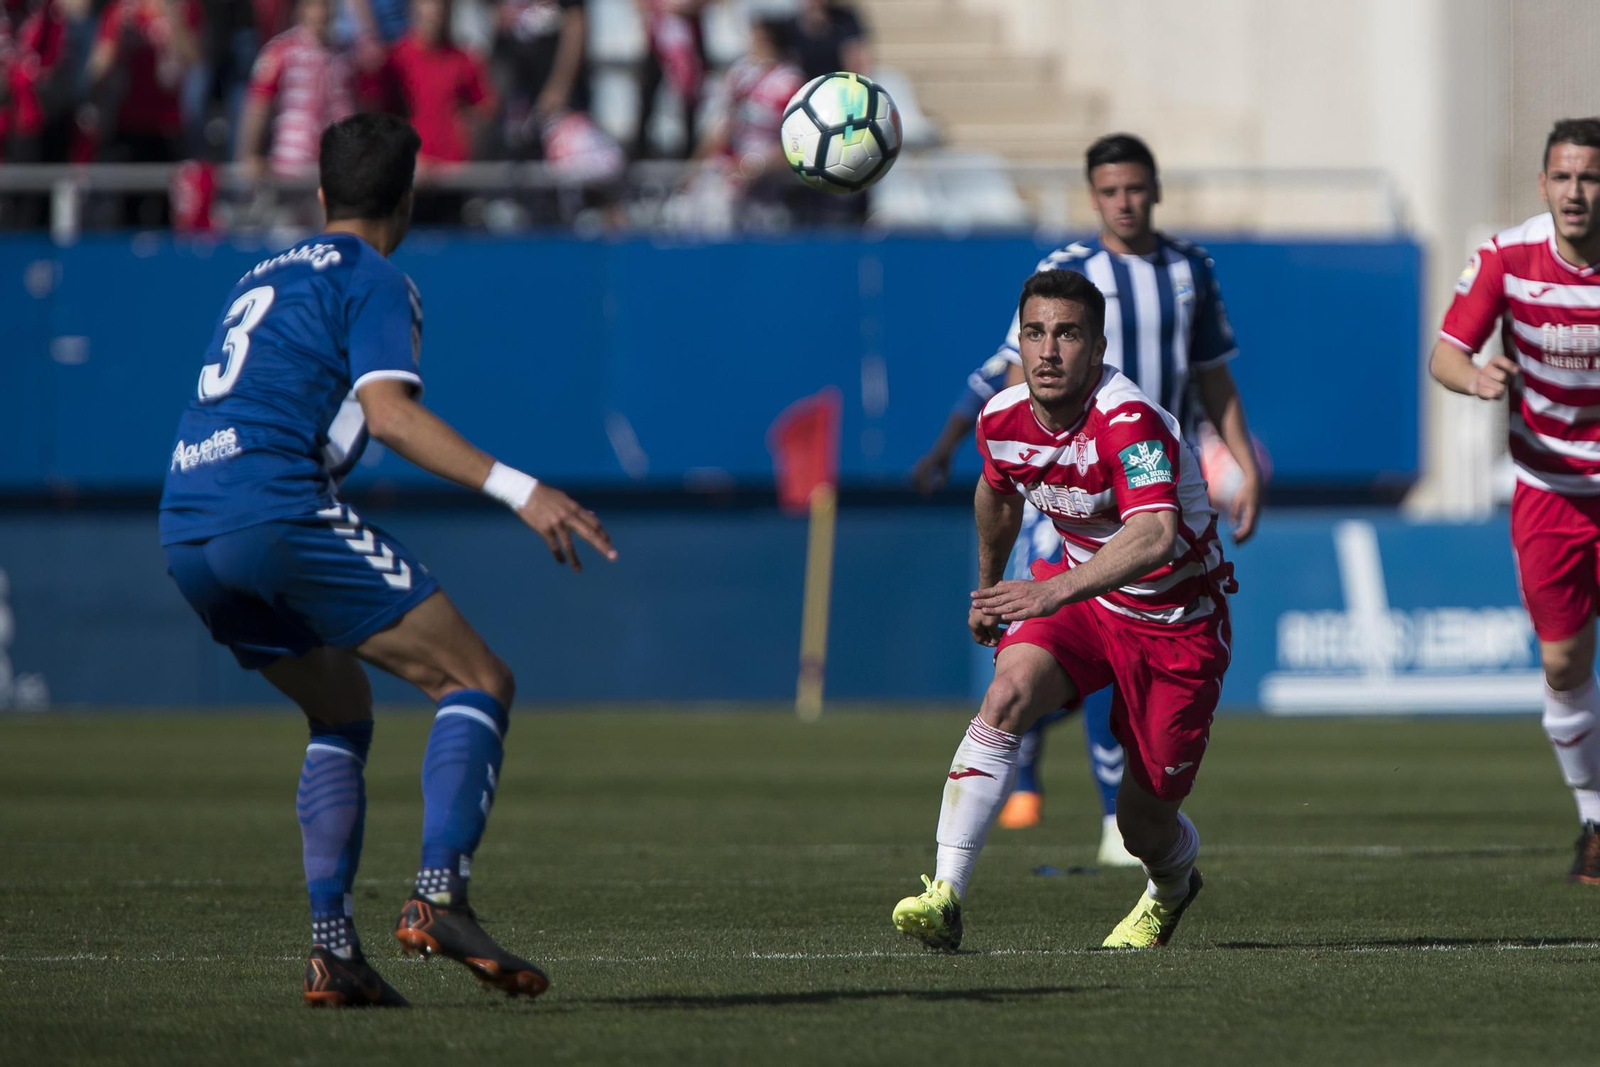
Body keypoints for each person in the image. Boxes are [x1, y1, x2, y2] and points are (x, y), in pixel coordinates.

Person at [159, 112, 617, 1006]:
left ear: (321, 193)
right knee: (476, 679)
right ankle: (441, 894)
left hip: (186, 525)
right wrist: (524, 490)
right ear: (407, 199)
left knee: (342, 711)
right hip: (273, 508)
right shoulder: (374, 276)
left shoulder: (259, 272)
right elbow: (392, 415)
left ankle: (334, 951)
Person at [912, 133, 1261, 857]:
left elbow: (1213, 374)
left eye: (1136, 188)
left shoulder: (1191, 269)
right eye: (1110, 190)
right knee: (1028, 654)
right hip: (1066, 481)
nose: (1125, 202)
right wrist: (952, 445)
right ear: (1093, 194)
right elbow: (1008, 369)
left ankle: (1116, 814)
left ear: (1155, 190)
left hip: (1150, 481)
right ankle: (1028, 794)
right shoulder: (1066, 272)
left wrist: (1244, 459)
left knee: (1100, 643)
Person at [892, 269, 1234, 952]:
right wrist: (991, 589)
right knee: (1008, 691)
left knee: (1143, 825)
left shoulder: (1128, 420)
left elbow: (1154, 534)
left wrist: (1045, 592)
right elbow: (996, 495)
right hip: (1084, 597)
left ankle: (1171, 885)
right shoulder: (1002, 418)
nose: (1048, 350)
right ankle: (945, 893)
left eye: (1068, 333)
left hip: (1175, 621)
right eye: (1036, 333)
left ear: (1099, 345)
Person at [1428, 116, 1600, 884]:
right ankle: (1595, 816)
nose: (1576, 193)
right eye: (1563, 177)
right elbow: (1445, 355)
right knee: (1563, 663)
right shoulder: (1506, 256)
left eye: (1591, 178)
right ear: (1543, 184)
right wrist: (1479, 379)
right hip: (1551, 492)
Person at [236, 0, 354, 182]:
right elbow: (258, 104)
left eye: (326, 5)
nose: (321, 13)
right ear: (300, 9)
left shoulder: (346, 55)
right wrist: (250, 155)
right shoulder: (279, 51)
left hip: (337, 169)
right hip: (291, 166)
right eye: (314, 6)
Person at [789, 0, 868, 81]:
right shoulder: (790, 27)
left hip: (841, 83)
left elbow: (857, 59)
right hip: (808, 86)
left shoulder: (845, 20)